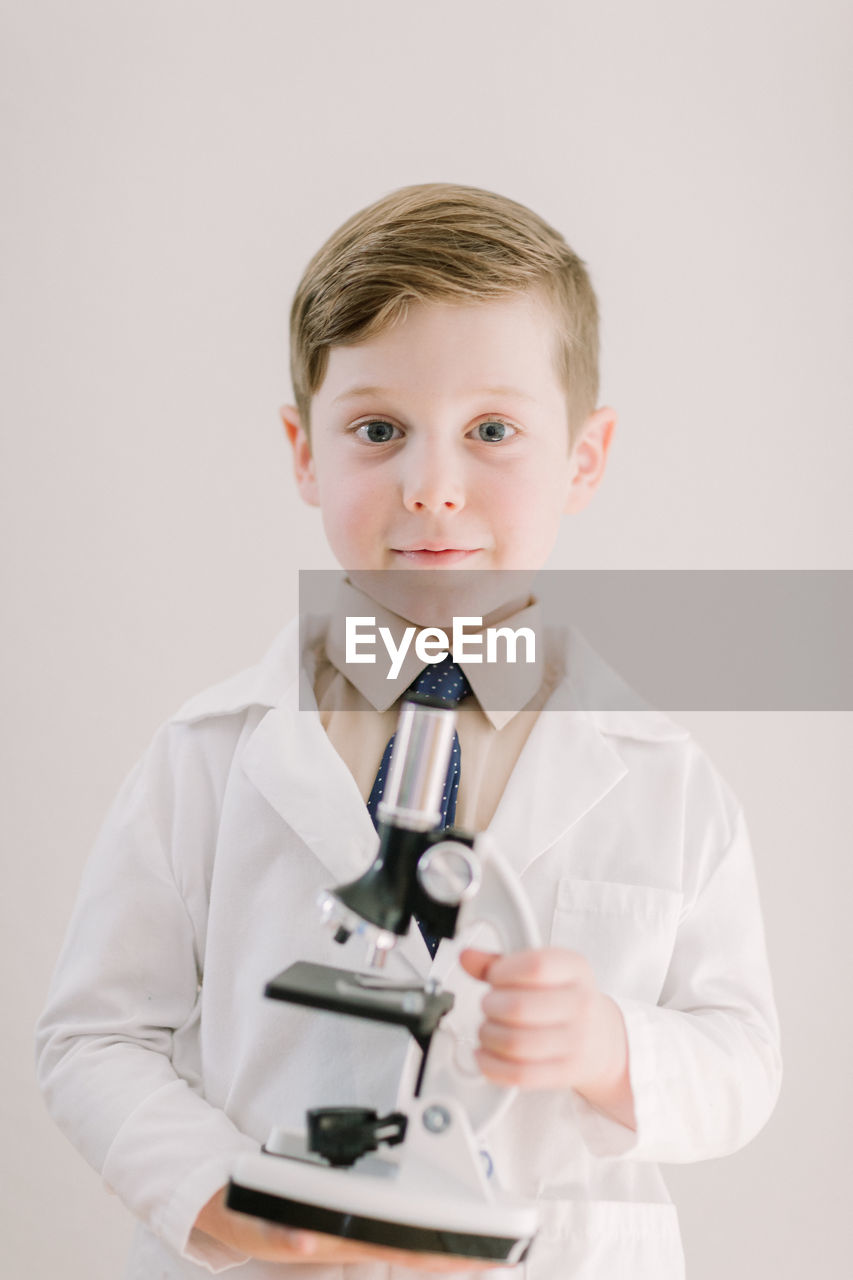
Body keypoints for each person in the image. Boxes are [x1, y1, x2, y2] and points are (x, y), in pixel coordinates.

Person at [35, 182, 782, 1279]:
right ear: (303, 451)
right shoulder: (206, 756)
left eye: (491, 430)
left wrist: (609, 1044)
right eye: (378, 430)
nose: (432, 487)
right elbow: (94, 1038)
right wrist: (214, 1197)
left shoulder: (664, 780)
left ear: (584, 456)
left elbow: (742, 1059)